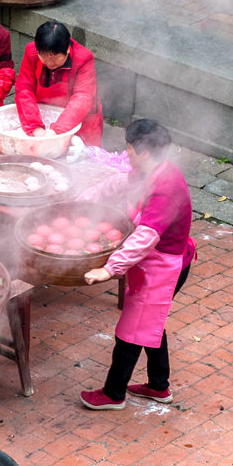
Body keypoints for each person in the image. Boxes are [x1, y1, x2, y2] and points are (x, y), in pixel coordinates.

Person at [78, 119, 196, 410]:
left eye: (129, 148)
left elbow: (146, 236)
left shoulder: (166, 188)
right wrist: (80, 203)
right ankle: (158, 386)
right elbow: (118, 184)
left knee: (131, 332)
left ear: (143, 152)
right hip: (155, 262)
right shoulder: (151, 169)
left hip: (163, 266)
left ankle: (113, 394)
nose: (126, 152)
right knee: (151, 323)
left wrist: (110, 268)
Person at [15, 21, 103, 146]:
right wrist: (36, 128)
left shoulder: (84, 58)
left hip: (82, 122)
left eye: (55, 58)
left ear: (67, 49)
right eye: (43, 57)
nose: (49, 63)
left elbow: (83, 98)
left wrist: (55, 132)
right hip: (44, 117)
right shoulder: (31, 52)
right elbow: (24, 90)